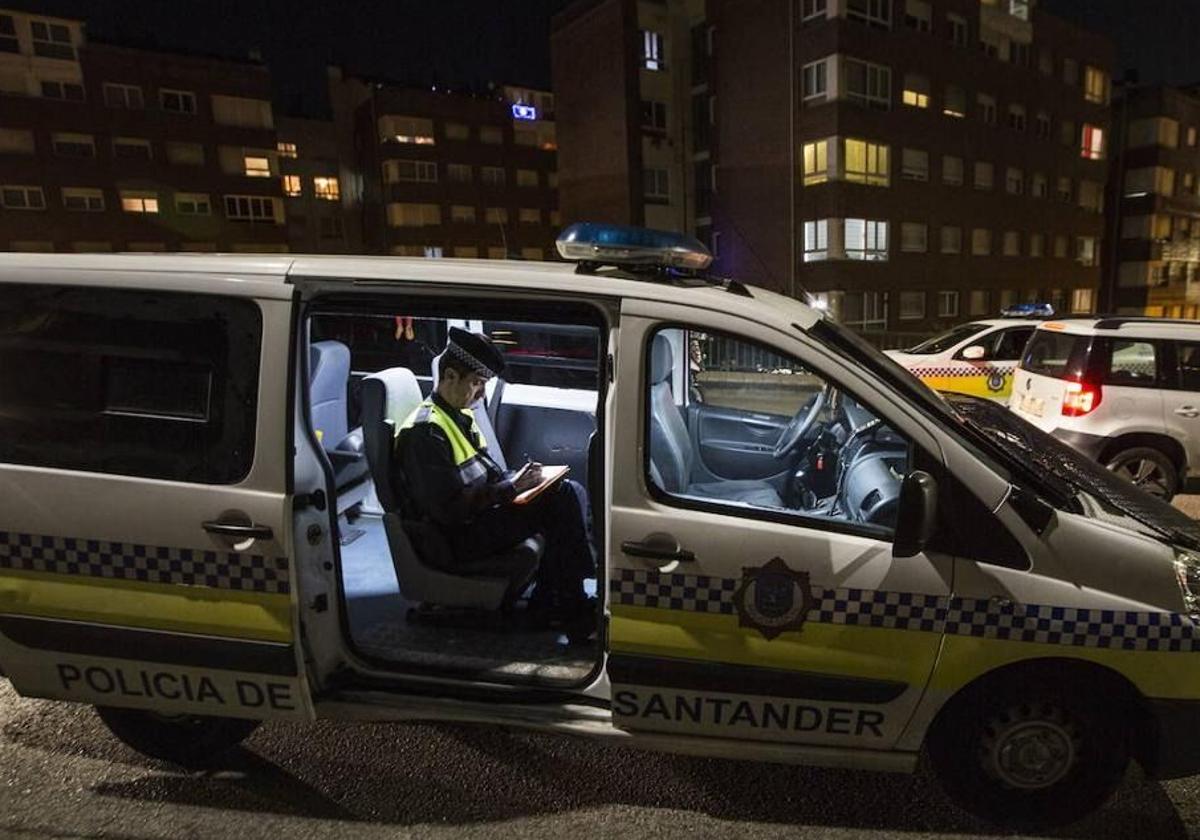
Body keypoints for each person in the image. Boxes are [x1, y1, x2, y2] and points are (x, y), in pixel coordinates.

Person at [393, 327, 596, 637]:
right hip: (458, 537)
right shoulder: (426, 433)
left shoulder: (459, 416)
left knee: (569, 490)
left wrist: (521, 479)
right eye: (476, 383)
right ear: (449, 376)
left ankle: (553, 598)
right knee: (563, 497)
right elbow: (449, 510)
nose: (480, 394)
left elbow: (484, 475)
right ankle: (570, 605)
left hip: (478, 520)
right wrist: (510, 489)